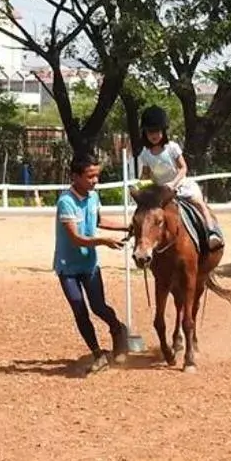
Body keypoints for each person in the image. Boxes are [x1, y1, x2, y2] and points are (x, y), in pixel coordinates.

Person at [54, 158, 130, 374]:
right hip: (67, 266)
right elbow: (76, 238)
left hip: (89, 264)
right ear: (75, 177)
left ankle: (118, 329)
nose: (95, 181)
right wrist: (104, 241)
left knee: (98, 306)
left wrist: (126, 227)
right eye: (90, 176)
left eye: (96, 175)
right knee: (79, 309)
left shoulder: (93, 196)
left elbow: (97, 221)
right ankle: (98, 354)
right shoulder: (65, 202)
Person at [133, 105, 223, 249]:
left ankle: (211, 231)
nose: (154, 135)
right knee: (145, 213)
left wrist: (173, 183)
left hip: (179, 185)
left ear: (163, 130)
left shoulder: (172, 147)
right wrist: (138, 186)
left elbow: (183, 168)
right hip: (160, 192)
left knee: (198, 203)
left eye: (157, 131)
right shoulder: (145, 153)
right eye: (150, 132)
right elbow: (146, 175)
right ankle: (140, 238)